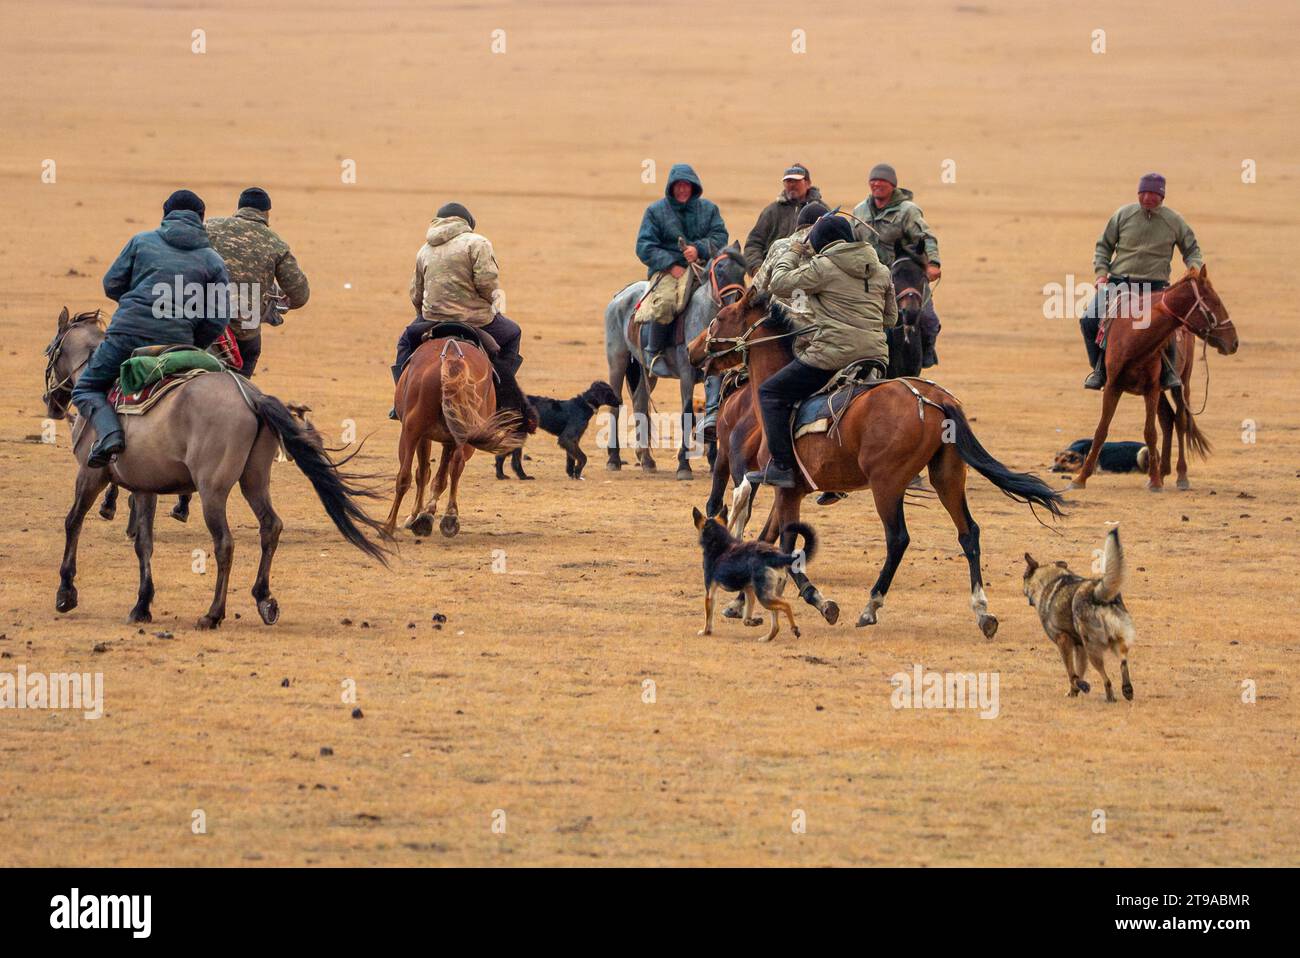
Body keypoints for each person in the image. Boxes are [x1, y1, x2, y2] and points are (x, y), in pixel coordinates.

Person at [71, 190, 231, 467]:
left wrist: (136, 306)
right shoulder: (213, 260)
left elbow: (112, 285)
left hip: (126, 336)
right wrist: (192, 341)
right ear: (202, 220)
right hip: (177, 342)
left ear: (166, 214)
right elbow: (218, 317)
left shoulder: (141, 242)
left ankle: (109, 435)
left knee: (86, 387)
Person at [746, 215, 896, 489]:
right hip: (875, 357)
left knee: (771, 393)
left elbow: (779, 283)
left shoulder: (823, 267)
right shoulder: (881, 270)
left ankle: (781, 466)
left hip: (831, 355)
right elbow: (891, 319)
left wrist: (793, 252)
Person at [392, 203, 527, 425]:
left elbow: (416, 293)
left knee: (405, 342)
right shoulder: (478, 243)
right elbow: (487, 282)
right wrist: (491, 302)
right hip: (475, 319)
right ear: (467, 222)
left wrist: (423, 317)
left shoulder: (424, 249)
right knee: (513, 333)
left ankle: (401, 401)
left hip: (432, 319)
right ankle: (502, 399)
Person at [1083, 172, 1204, 390]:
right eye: (1144, 193)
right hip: (1119, 283)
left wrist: (1194, 269)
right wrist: (1101, 274)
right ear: (1138, 193)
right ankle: (1099, 369)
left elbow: (1192, 250)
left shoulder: (1174, 221)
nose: (1148, 198)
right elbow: (1104, 246)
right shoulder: (1123, 214)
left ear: (1162, 196)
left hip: (1155, 287)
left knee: (1167, 325)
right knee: (1089, 319)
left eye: (1153, 194)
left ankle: (1168, 372)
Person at [634, 163, 728, 377]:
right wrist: (669, 264)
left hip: (701, 267)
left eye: (687, 185)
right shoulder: (656, 212)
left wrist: (699, 249)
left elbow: (720, 236)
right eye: (678, 186)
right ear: (671, 188)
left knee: (724, 300)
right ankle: (654, 352)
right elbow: (644, 246)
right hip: (668, 271)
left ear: (694, 187)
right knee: (666, 304)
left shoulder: (709, 209)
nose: (683, 190)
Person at [204, 187, 309, 377]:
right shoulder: (275, 244)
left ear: (239, 208)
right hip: (243, 329)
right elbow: (300, 294)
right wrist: (284, 302)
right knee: (250, 352)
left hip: (203, 320)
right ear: (267, 213)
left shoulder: (210, 227)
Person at [850, 163, 942, 367]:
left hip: (905, 275)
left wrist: (933, 263)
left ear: (892, 184)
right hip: (871, 278)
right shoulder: (860, 211)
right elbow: (851, 242)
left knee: (927, 320)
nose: (877, 184)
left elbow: (926, 237)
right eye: (873, 180)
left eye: (882, 180)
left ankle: (926, 353)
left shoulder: (907, 211)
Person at [742, 163, 824, 274]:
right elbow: (754, 244)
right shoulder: (771, 212)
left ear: (808, 183)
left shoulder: (822, 211)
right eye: (788, 181)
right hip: (773, 276)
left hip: (812, 274)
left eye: (796, 181)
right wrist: (757, 269)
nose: (792, 185)